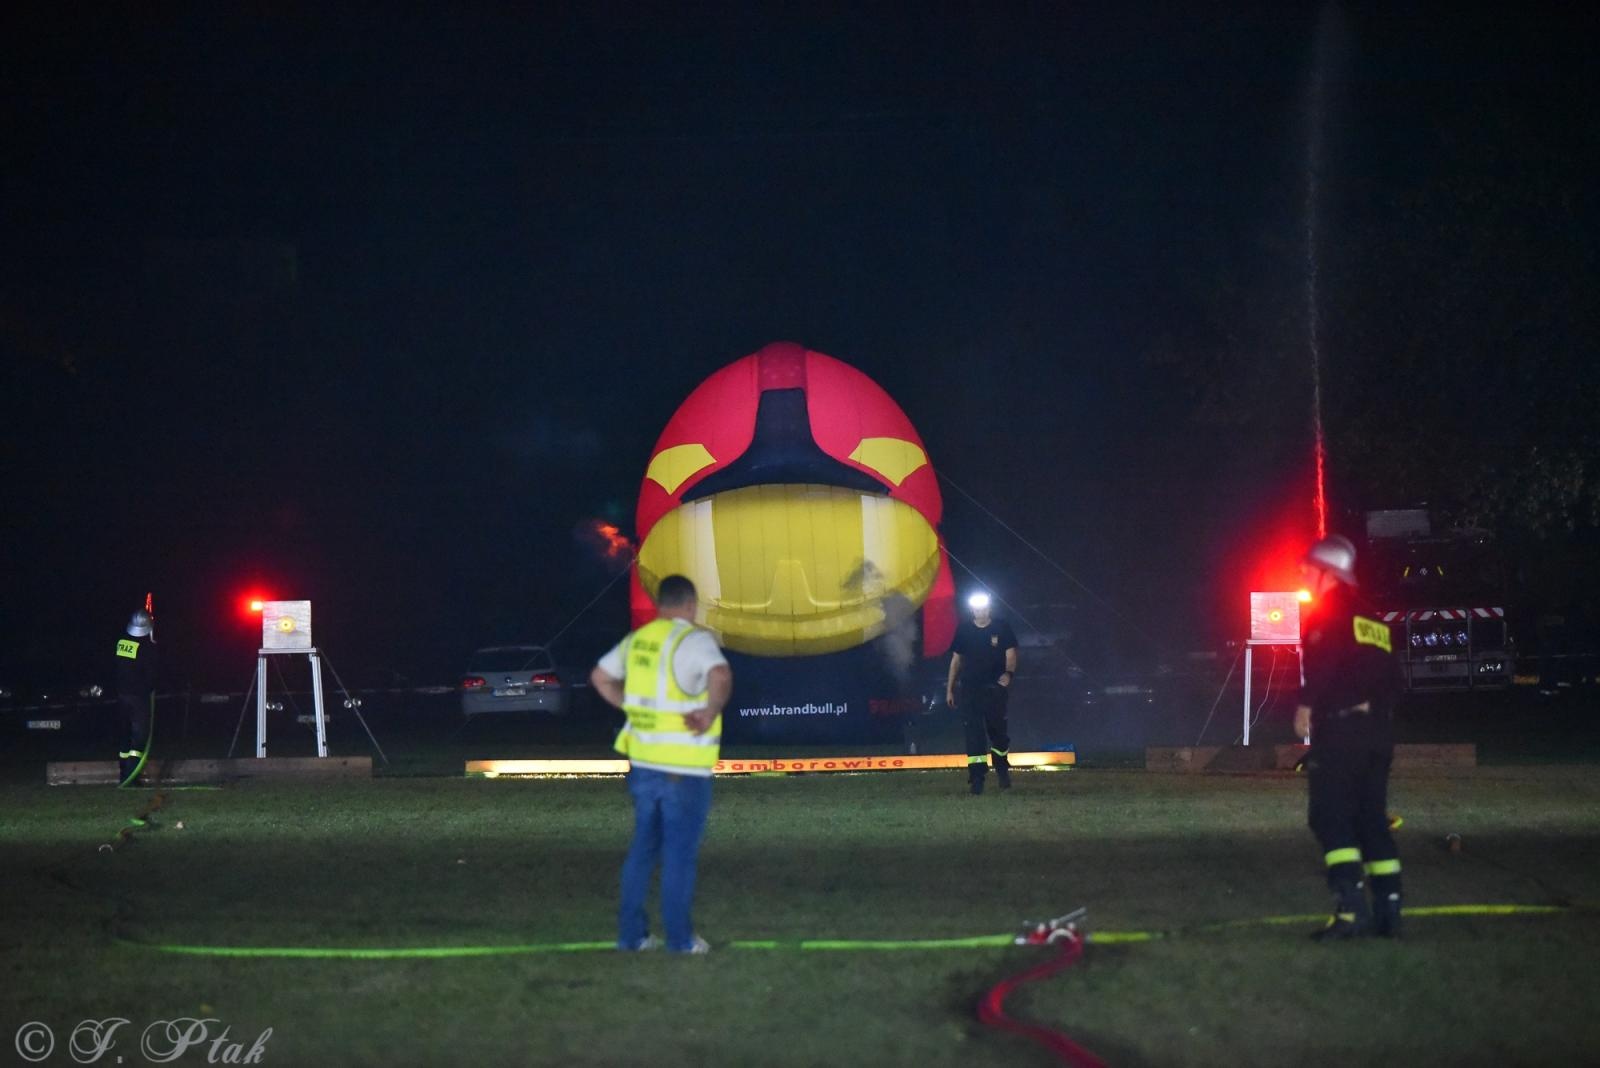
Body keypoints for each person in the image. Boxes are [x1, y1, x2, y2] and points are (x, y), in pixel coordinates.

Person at [591, 574, 732, 954]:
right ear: (690, 604)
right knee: (678, 856)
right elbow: (720, 675)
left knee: (643, 850)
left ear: (660, 604)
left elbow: (600, 678)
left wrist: (629, 706)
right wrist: (709, 710)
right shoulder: (694, 640)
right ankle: (681, 940)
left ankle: (632, 936)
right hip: (683, 769)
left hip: (643, 765)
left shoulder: (638, 641)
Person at [1294, 534, 1405, 940]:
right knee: (1371, 820)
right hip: (1379, 733)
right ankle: (1390, 912)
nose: (1303, 574)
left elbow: (1322, 665)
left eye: (1307, 568)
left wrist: (1306, 705)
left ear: (1327, 572)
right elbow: (1396, 679)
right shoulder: (1375, 620)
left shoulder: (1329, 615)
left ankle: (1350, 909)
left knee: (1329, 816)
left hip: (1341, 734)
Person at [946, 591, 1019, 795]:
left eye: (984, 608)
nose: (980, 612)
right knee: (973, 735)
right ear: (972, 610)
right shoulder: (964, 630)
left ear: (989, 609)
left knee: (998, 733)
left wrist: (1008, 674)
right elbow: (956, 660)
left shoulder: (1001, 627)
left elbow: (1011, 653)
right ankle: (977, 778)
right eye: (976, 609)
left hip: (995, 690)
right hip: (970, 690)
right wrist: (949, 688)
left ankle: (1002, 769)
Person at [113, 608, 159, 786]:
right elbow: (152, 675)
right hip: (139, 698)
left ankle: (124, 774)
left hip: (121, 696)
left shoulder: (121, 643)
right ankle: (131, 777)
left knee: (124, 737)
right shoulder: (148, 648)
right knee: (139, 738)